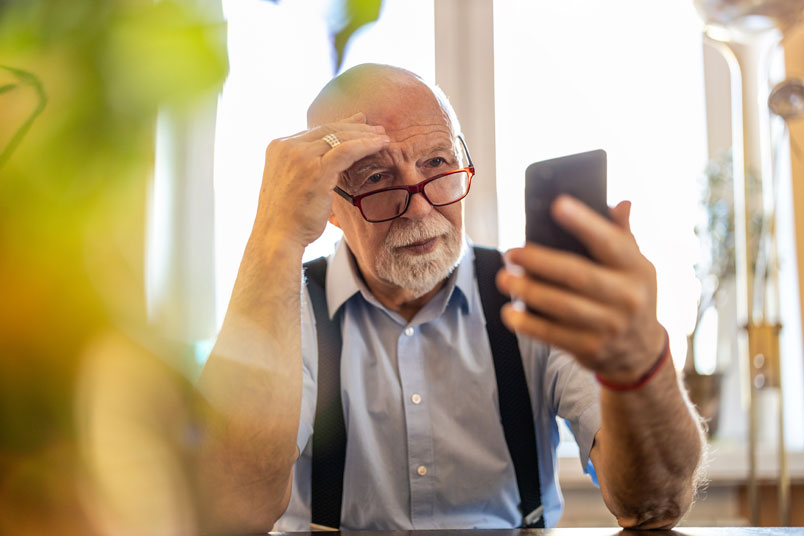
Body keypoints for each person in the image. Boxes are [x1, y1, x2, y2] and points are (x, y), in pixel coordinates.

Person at [197, 63, 705, 533]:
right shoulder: (288, 309)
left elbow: (652, 504)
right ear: (329, 205)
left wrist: (640, 365)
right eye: (377, 177)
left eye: (437, 163)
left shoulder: (537, 297)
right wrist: (275, 234)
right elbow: (229, 511)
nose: (420, 209)